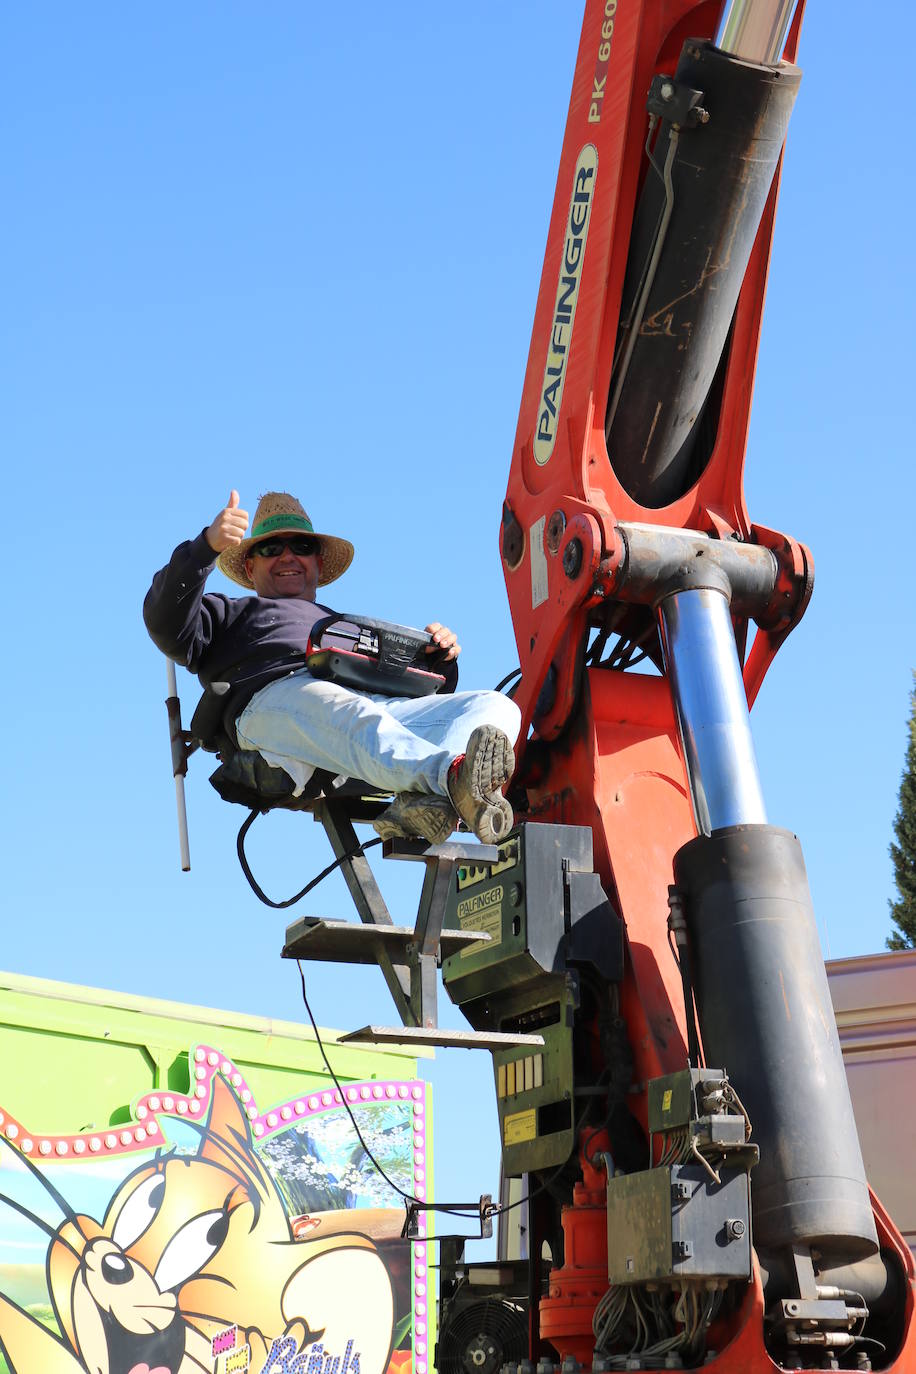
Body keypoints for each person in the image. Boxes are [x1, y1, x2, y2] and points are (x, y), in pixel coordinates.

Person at [144, 490, 521, 845]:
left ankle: (428, 804)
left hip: (366, 702)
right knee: (350, 712)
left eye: (302, 547)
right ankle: (450, 779)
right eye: (271, 547)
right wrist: (203, 549)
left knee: (496, 707)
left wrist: (436, 656)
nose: (288, 556)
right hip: (273, 699)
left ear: (318, 563)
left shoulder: (344, 627)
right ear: (250, 564)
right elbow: (166, 622)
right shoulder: (227, 612)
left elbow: (408, 688)